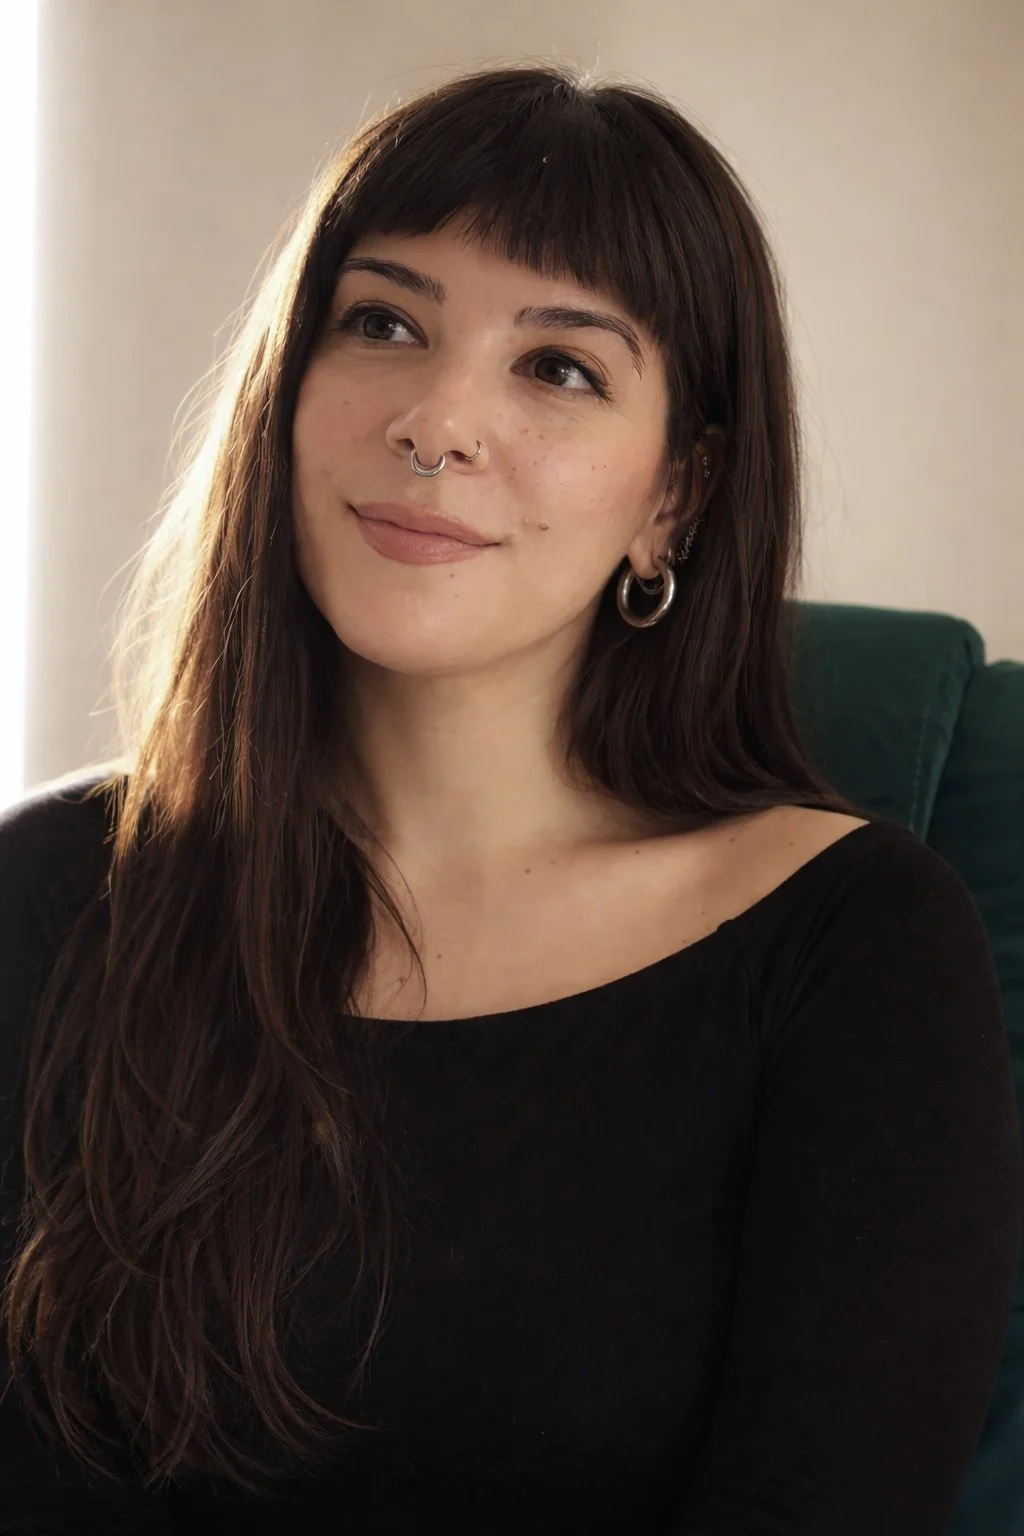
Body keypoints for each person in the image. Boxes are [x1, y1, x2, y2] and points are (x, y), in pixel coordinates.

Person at [1, 61, 1020, 1536]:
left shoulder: (851, 945)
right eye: (383, 324)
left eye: (559, 368)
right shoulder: (49, 896)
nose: (436, 417)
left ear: (677, 492)